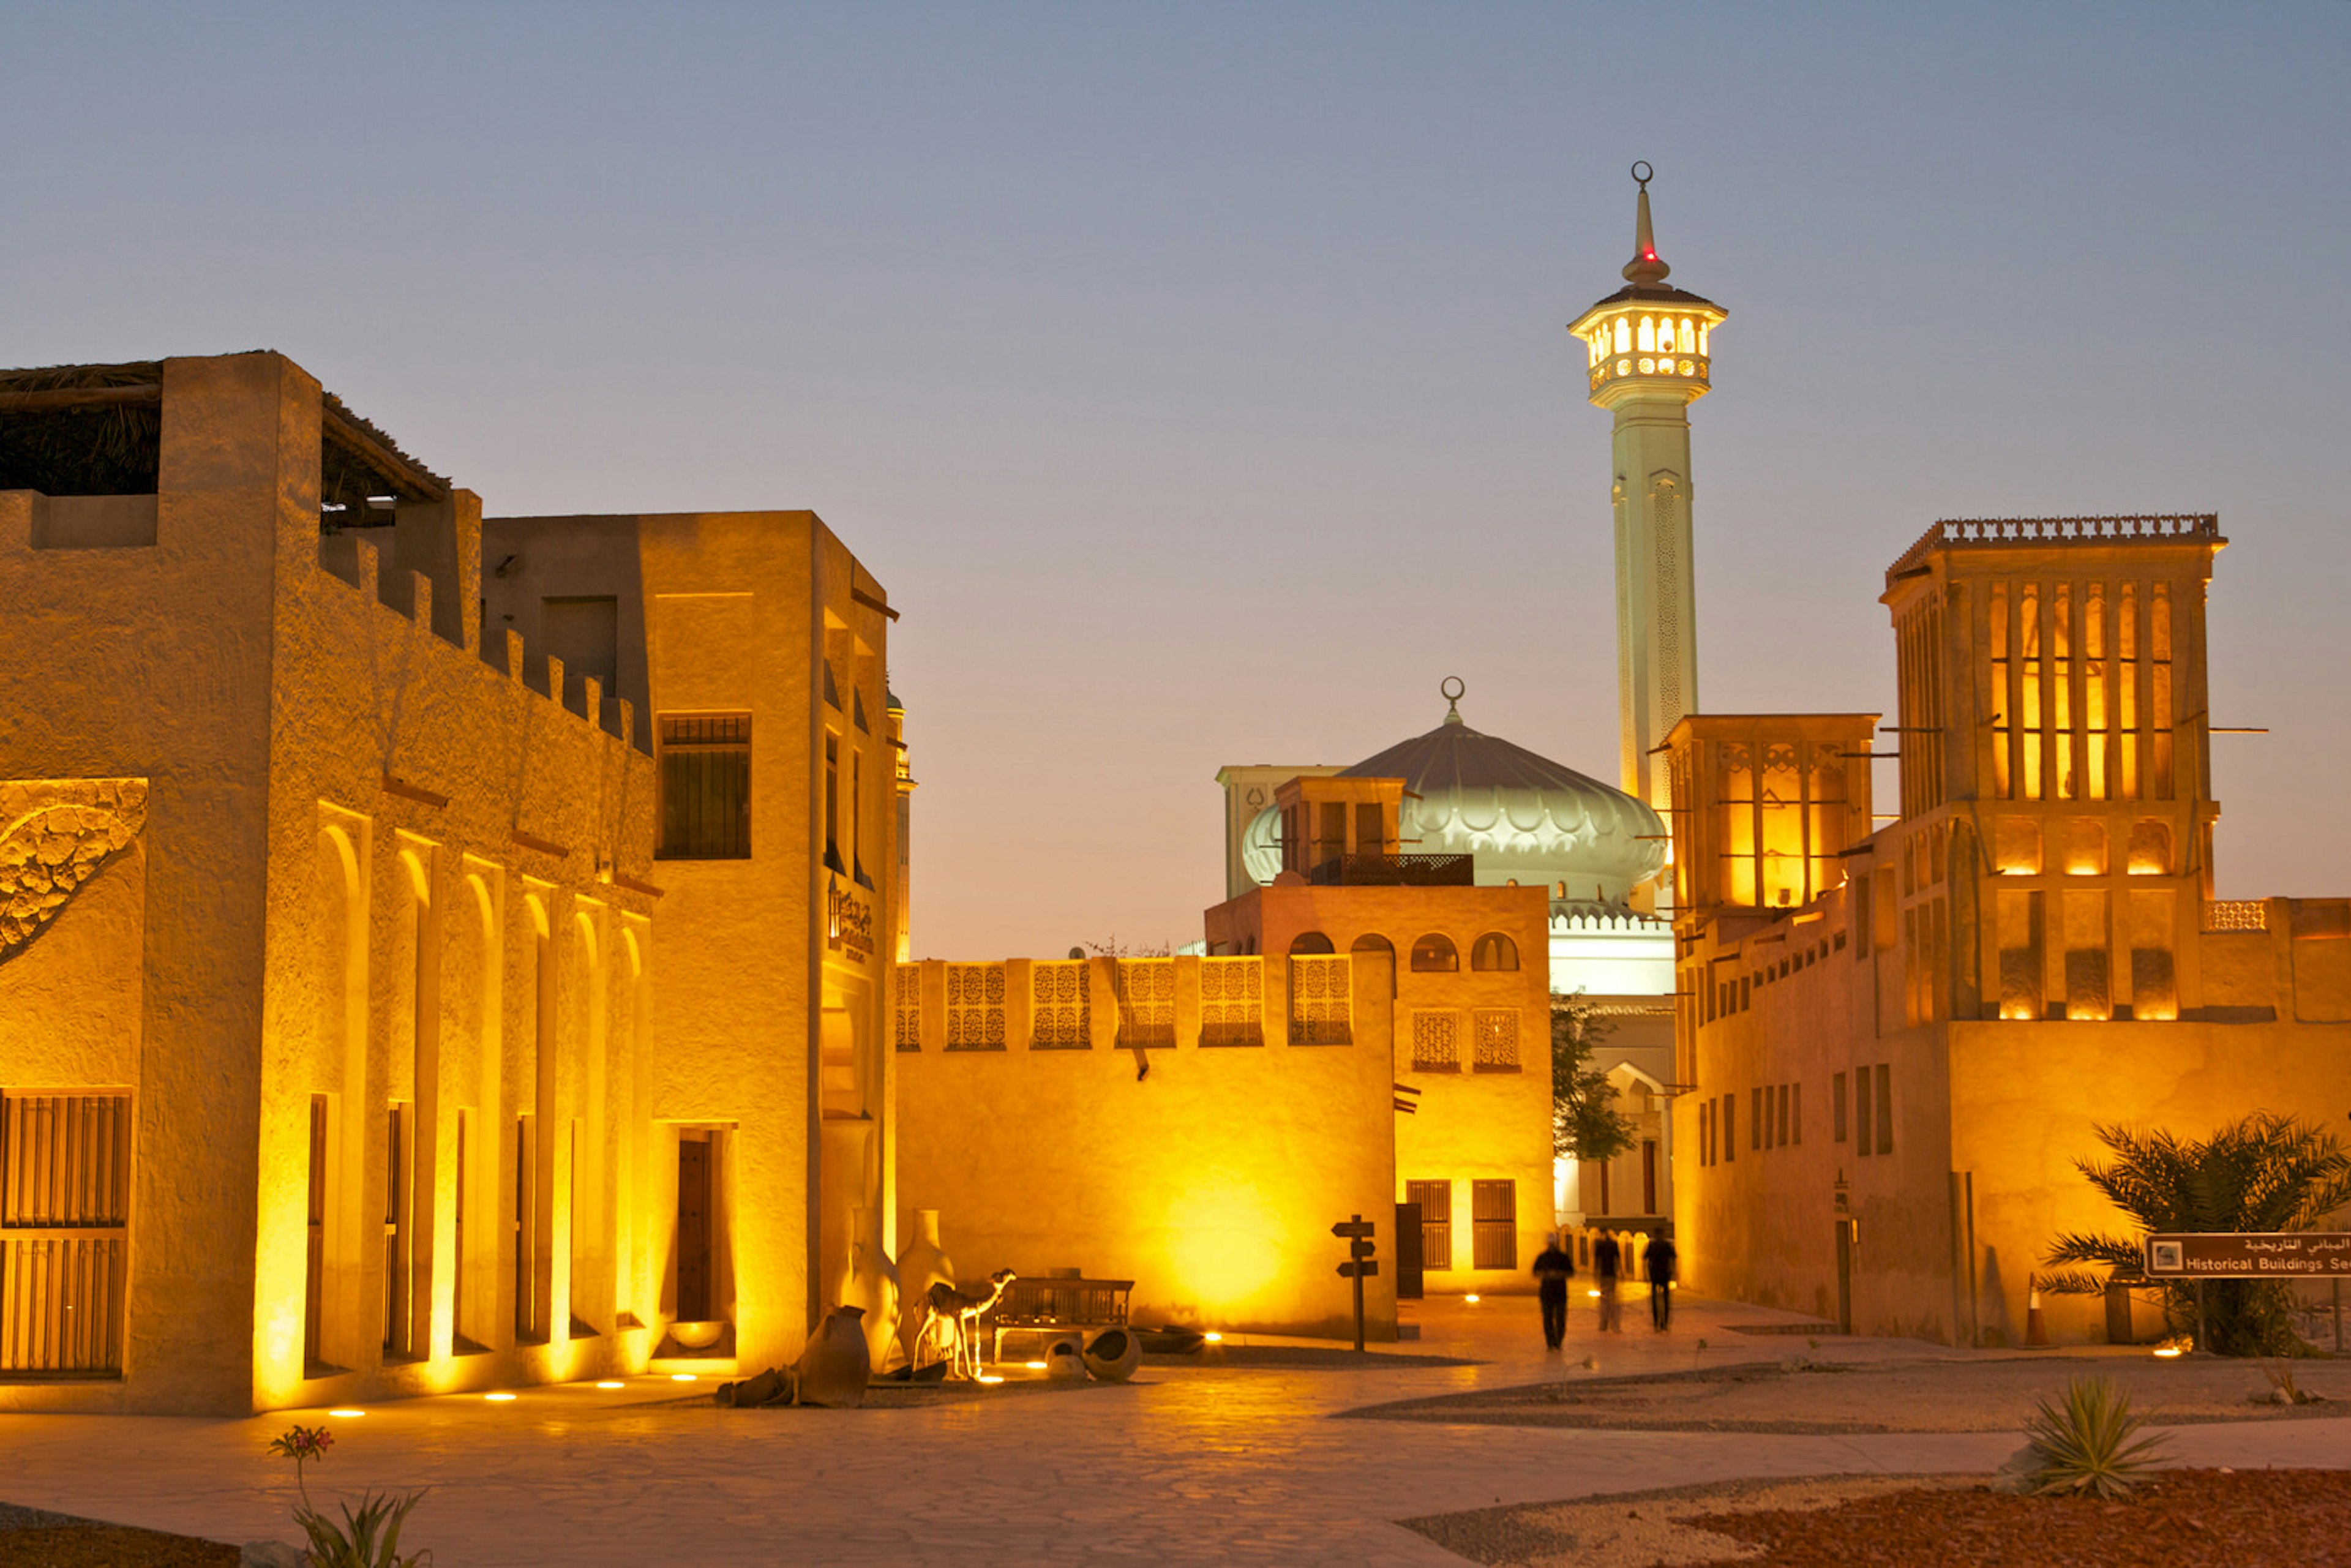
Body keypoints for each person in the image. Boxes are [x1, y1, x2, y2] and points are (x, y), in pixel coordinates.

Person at [1531, 1233, 1575, 1349]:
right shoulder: (1543, 1257)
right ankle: (1550, 1342)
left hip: (1560, 1293)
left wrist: (1559, 1275)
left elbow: (1571, 1272)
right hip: (1547, 1292)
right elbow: (1535, 1272)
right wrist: (1547, 1275)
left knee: (1560, 1319)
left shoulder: (1563, 1258)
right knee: (1548, 1318)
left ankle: (1558, 1341)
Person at [1643, 1225, 1679, 1332]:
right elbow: (1673, 1259)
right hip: (1665, 1274)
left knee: (1655, 1300)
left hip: (1654, 1274)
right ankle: (1665, 1323)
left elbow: (1646, 1259)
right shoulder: (1667, 1245)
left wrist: (1646, 1275)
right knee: (1666, 1300)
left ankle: (1656, 1323)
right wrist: (1674, 1272)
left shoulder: (1652, 1245)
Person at [1592, 1231, 1622, 1332]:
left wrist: (1595, 1273)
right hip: (1612, 1274)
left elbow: (1597, 1261)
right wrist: (1620, 1272)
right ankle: (1614, 1324)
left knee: (1604, 1299)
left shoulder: (1600, 1245)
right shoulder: (1614, 1245)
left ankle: (1604, 1323)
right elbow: (1618, 1259)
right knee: (1612, 1299)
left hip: (1604, 1275)